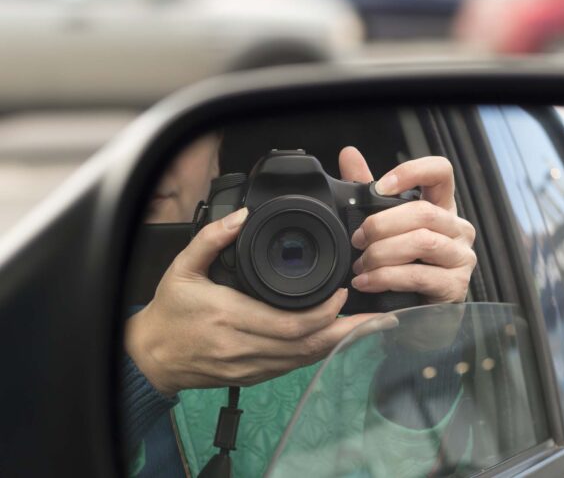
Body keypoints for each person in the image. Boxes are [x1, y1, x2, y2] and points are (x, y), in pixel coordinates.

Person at [122, 140, 477, 477]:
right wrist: (147, 358)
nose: (157, 156)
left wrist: (425, 344)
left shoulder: (361, 328)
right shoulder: (69, 317)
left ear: (216, 153)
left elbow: (414, 463)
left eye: (179, 137)